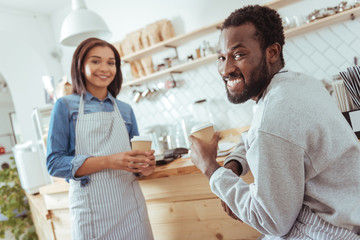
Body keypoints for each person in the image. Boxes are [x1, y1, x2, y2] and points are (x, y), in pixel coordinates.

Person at [189, 5, 360, 240]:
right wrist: (233, 165)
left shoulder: (275, 114)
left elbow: (270, 221)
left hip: (331, 231)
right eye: (221, 57)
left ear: (272, 52)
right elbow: (258, 133)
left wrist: (210, 168)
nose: (226, 69)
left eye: (238, 55)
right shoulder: (297, 85)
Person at [46, 38, 155, 240]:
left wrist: (145, 167)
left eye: (111, 62)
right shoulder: (65, 106)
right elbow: (54, 164)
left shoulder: (125, 110)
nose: (104, 68)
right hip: (91, 213)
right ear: (80, 65)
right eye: (95, 61)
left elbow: (136, 162)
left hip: (131, 208)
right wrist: (109, 161)